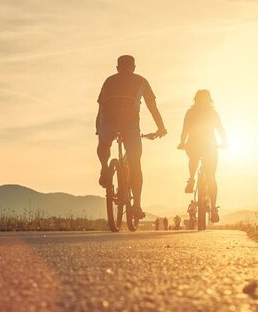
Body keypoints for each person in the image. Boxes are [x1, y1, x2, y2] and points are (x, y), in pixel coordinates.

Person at [96, 55, 168, 219]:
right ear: (134, 67)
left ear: (117, 68)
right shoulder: (141, 81)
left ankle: (105, 168)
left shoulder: (108, 80)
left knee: (104, 144)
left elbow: (100, 108)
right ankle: (136, 206)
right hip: (130, 124)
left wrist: (98, 128)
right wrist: (161, 127)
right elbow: (152, 106)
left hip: (108, 121)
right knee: (135, 164)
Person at [178, 89, 227, 223]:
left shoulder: (191, 112)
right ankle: (213, 209)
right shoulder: (212, 113)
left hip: (193, 145)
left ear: (195, 100)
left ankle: (192, 179)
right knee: (211, 177)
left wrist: (182, 143)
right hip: (210, 147)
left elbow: (185, 130)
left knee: (194, 158)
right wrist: (225, 142)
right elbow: (220, 129)